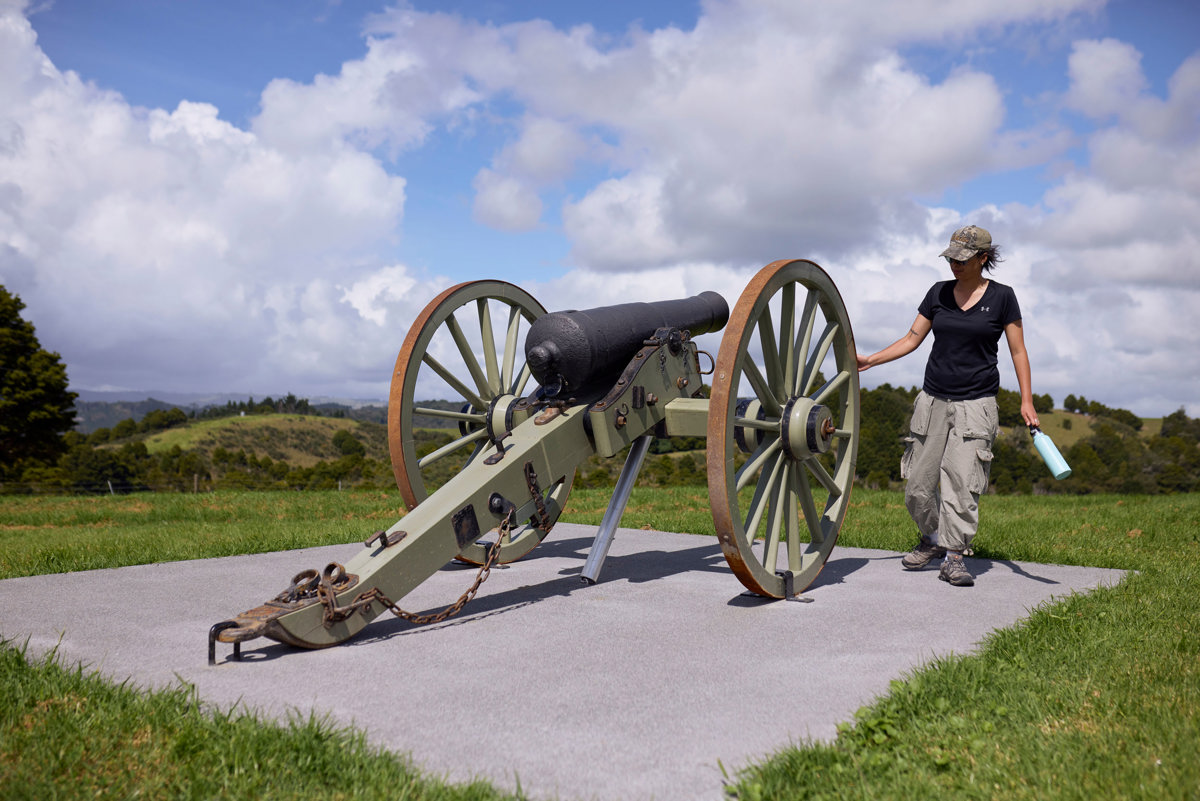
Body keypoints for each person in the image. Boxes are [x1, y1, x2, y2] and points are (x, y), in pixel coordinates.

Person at [856, 225, 1039, 587]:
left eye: (963, 259)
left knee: (960, 483)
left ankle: (954, 556)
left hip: (977, 405)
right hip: (933, 400)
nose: (954, 264)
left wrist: (1026, 400)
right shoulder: (938, 293)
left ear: (982, 259)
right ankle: (933, 539)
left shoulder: (1003, 297)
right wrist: (871, 361)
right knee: (918, 487)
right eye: (951, 258)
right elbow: (912, 338)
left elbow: (1018, 350)